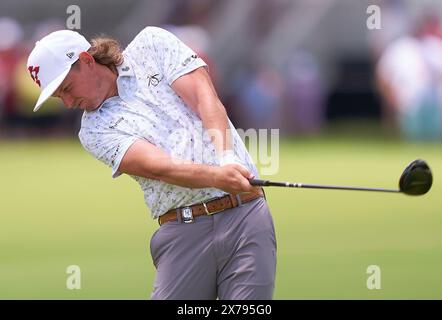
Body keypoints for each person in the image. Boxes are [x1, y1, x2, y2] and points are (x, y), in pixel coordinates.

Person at [26, 27, 277, 300]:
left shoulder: (152, 43)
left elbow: (204, 97)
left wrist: (227, 157)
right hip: (183, 232)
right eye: (59, 97)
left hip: (245, 215)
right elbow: (159, 167)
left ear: (86, 60)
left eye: (67, 89)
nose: (68, 102)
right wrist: (219, 176)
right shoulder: (93, 131)